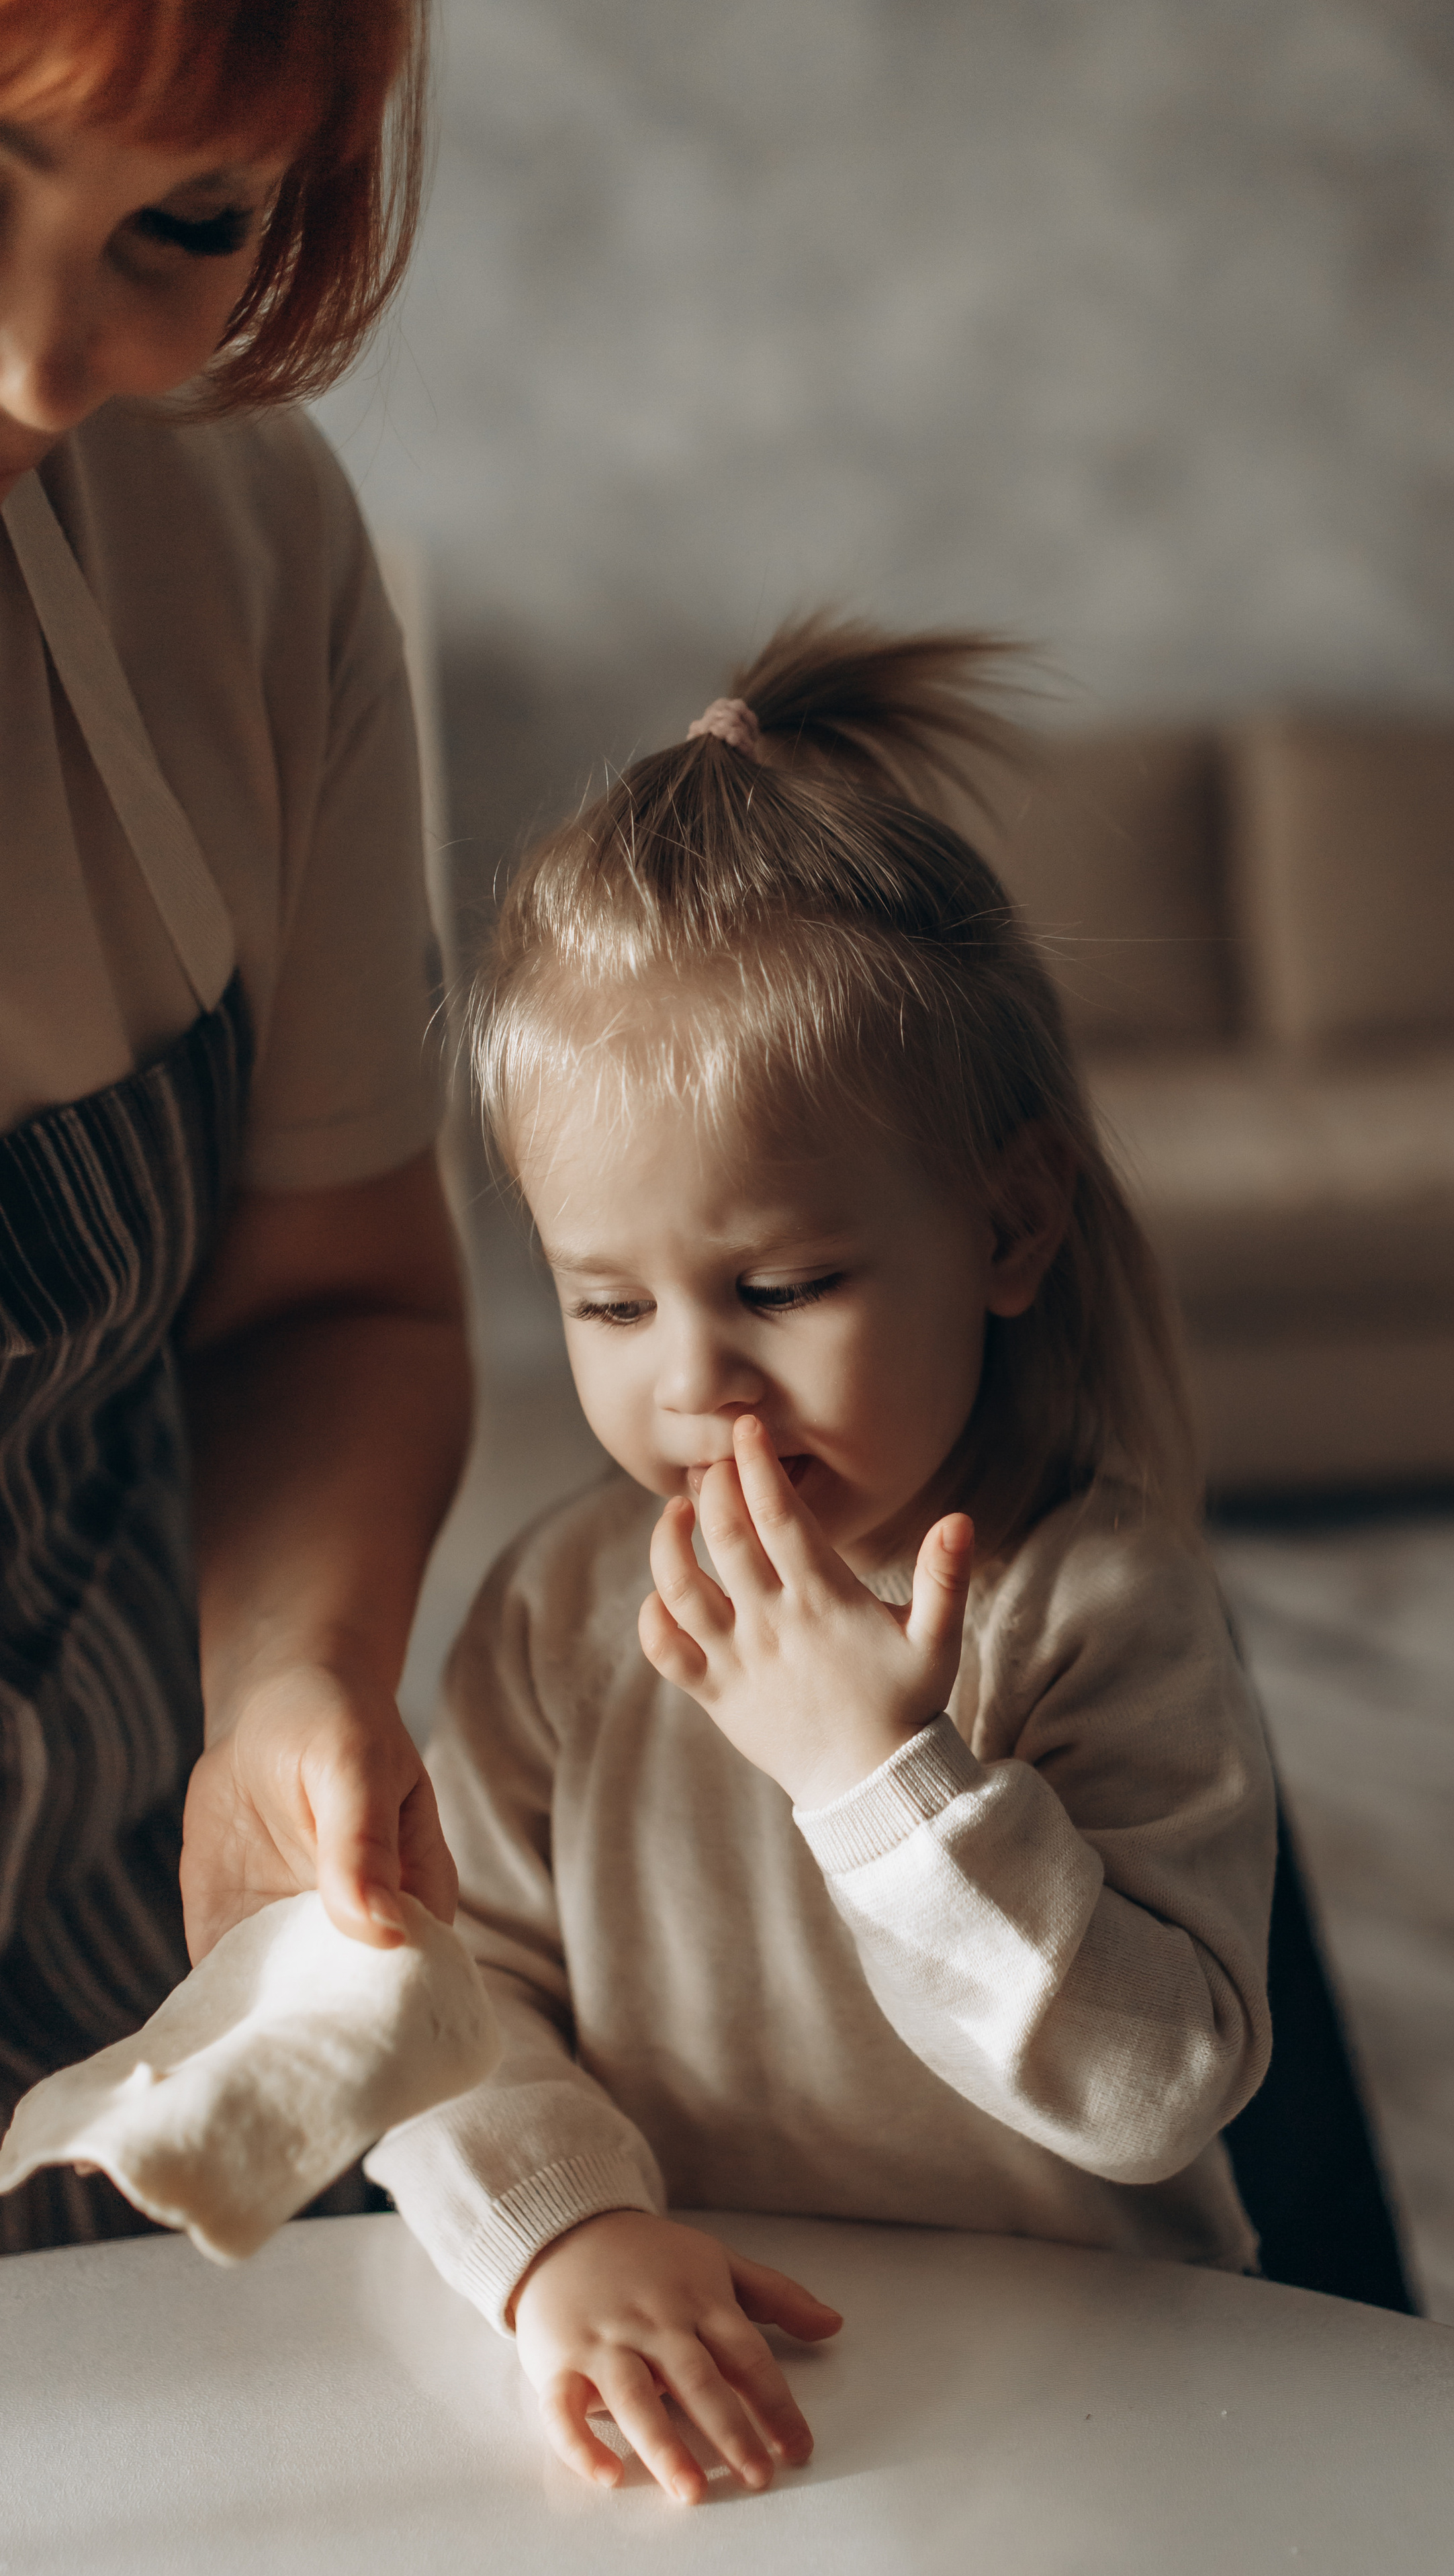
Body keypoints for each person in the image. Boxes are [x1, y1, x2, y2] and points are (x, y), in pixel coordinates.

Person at [368, 620, 1278, 2505]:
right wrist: (557, 2236)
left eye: (781, 1286)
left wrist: (884, 1784)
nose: (694, 1379)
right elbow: (443, 1997)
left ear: (1008, 1222)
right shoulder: (554, 1617)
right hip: (731, 2415)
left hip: (1103, 2424)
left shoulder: (1094, 1603)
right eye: (608, 1301)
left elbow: (1154, 2097)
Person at [0, 0, 471, 2254]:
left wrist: (291, 1674)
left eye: (176, 232)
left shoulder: (240, 547)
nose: (36, 362)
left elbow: (336, 1293)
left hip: (96, 1975)